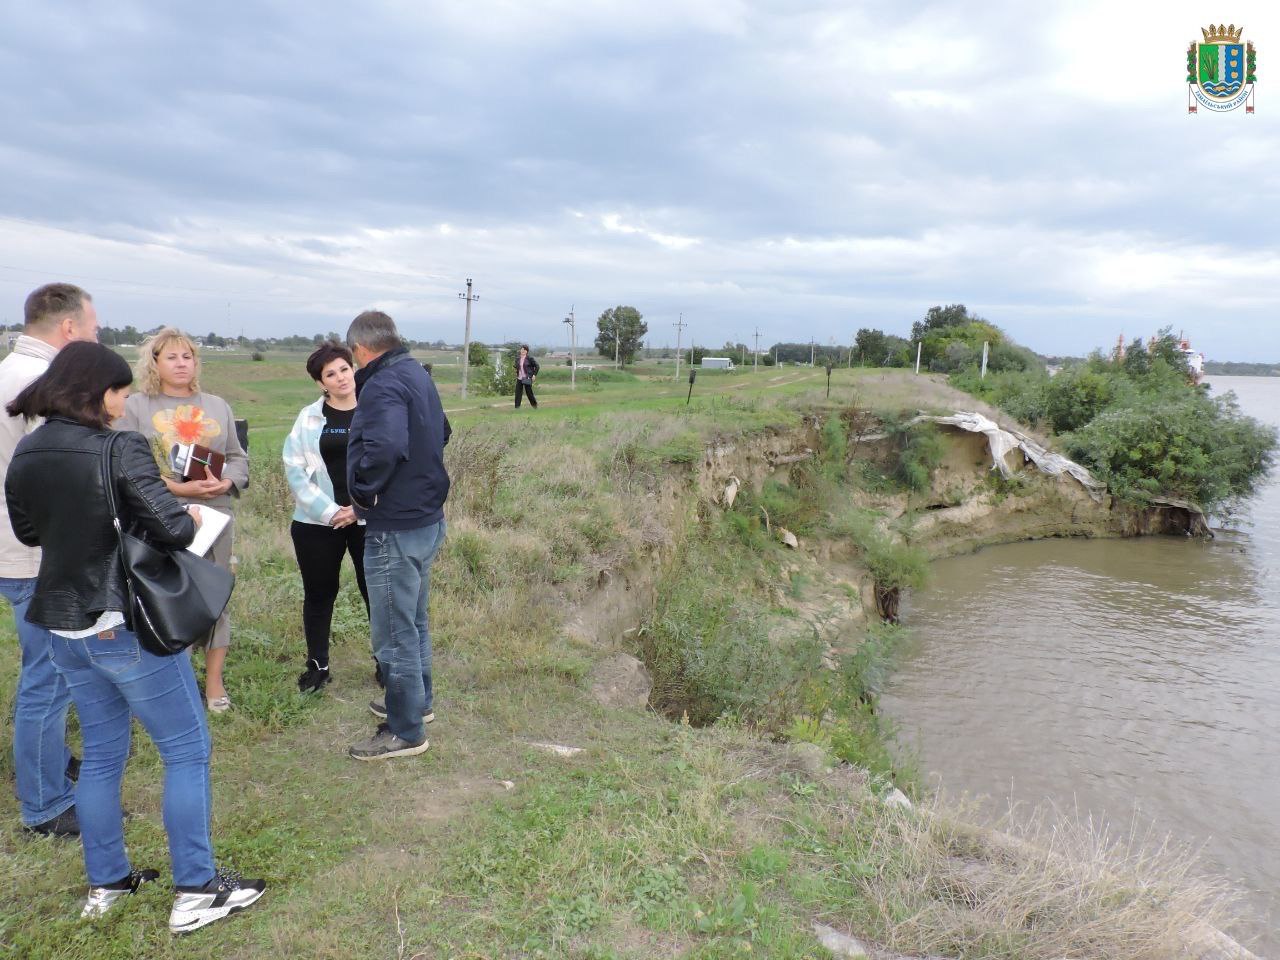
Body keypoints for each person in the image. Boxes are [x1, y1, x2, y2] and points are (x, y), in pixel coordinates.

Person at [4, 341, 265, 931]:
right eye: (120, 392)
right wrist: (193, 517)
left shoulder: (28, 450)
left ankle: (108, 882)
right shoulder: (118, 447)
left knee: (100, 754)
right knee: (186, 749)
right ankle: (197, 890)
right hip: (122, 623)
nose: (124, 403)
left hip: (64, 623)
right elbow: (171, 525)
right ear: (98, 394)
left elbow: (28, 529)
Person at [0, 282, 99, 838]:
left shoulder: (5, 370)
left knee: (44, 667)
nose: (94, 337)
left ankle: (53, 761)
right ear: (68, 328)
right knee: (50, 675)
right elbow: (59, 474)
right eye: (93, 328)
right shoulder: (42, 384)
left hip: (10, 545)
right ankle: (46, 803)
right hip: (36, 553)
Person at [115, 329, 248, 713]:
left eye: (188, 356)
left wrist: (225, 480)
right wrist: (178, 490)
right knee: (165, 597)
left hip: (214, 515)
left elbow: (238, 458)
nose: (181, 363)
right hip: (158, 516)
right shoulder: (136, 407)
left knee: (213, 595)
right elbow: (125, 466)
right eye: (171, 357)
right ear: (154, 363)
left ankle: (214, 685)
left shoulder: (217, 405)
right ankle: (173, 683)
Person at [345, 311, 450, 761]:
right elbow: (442, 430)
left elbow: (385, 446)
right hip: (426, 518)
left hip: (397, 526)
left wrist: (365, 493)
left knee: (393, 630)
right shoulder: (415, 373)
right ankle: (417, 703)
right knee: (415, 618)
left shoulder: (382, 383)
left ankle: (405, 730)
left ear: (361, 350)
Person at [282, 341, 370, 693]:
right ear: (321, 383)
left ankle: (387, 662)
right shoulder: (309, 418)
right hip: (317, 525)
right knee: (319, 595)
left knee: (375, 594)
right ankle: (318, 666)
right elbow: (294, 469)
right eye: (330, 374)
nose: (340, 378)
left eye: (344, 369)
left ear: (353, 369)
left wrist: (360, 509)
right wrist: (333, 512)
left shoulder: (374, 409)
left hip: (368, 520)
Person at [514, 344, 539, 409]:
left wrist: (534, 375)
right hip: (519, 378)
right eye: (521, 349)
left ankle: (534, 406)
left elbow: (537, 366)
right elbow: (516, 366)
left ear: (526, 351)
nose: (522, 351)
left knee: (529, 393)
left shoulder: (530, 358)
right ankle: (517, 407)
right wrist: (516, 371)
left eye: (524, 349)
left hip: (527, 378)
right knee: (518, 393)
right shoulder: (518, 358)